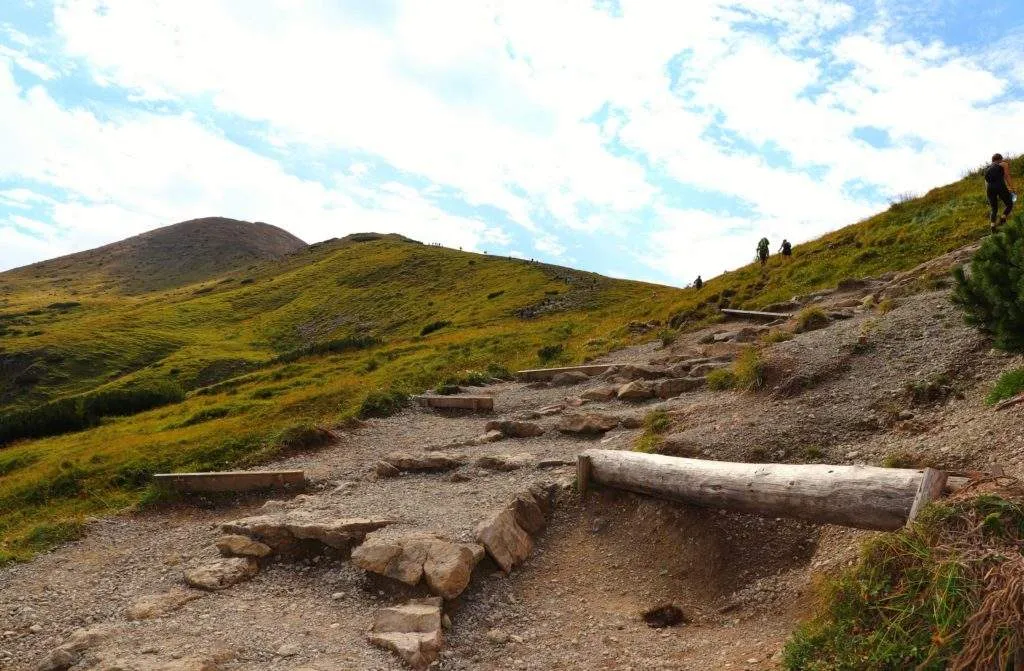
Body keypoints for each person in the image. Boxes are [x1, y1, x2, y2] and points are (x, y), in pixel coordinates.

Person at [985, 153, 1015, 231]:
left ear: (992, 160)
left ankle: (992, 227)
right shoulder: (1003, 164)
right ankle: (1002, 219)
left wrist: (988, 196)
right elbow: (1007, 176)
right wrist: (1012, 188)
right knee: (1009, 204)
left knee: (994, 209)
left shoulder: (987, 168)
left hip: (989, 189)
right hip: (1000, 186)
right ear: (1000, 159)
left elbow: (986, 183)